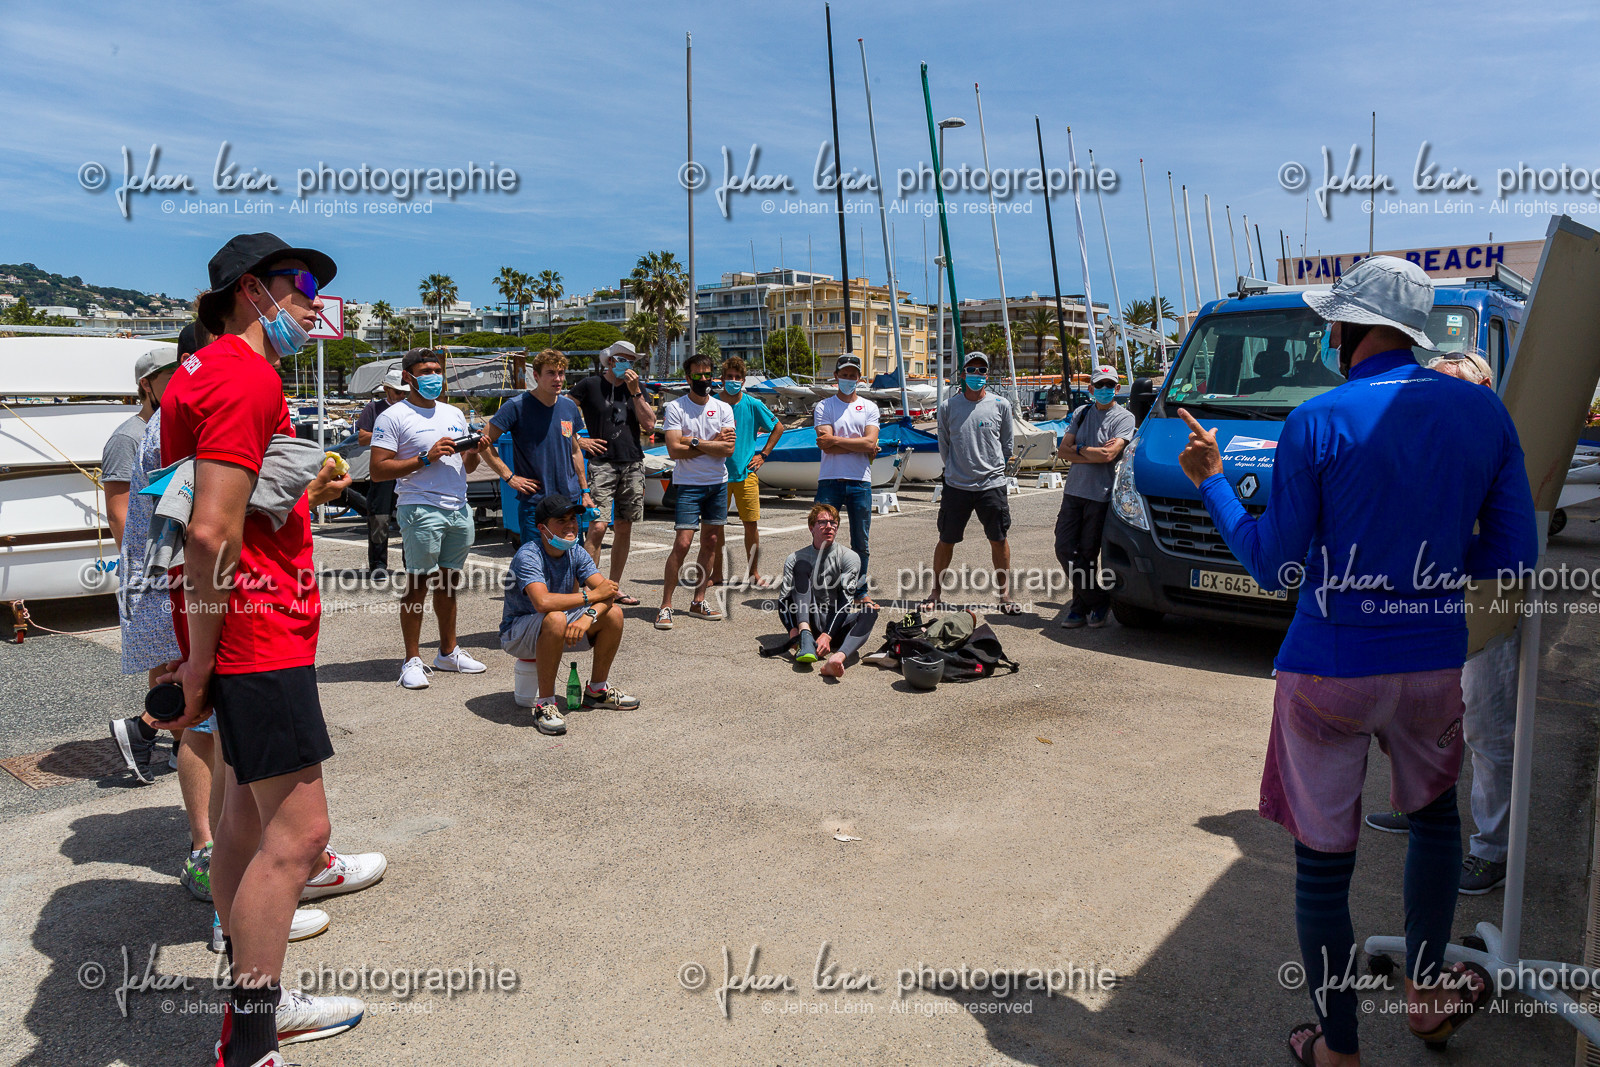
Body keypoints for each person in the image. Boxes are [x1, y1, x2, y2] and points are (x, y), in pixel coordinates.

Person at [1174, 256, 1538, 1066]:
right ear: (1415, 331)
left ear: (1346, 330)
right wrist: (1428, 562)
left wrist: (1216, 484)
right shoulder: (1484, 415)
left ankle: (1339, 1048)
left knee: (1321, 868)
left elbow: (1274, 565)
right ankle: (1426, 999)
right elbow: (1514, 550)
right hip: (1430, 670)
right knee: (1435, 823)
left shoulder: (1315, 419)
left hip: (1328, 671)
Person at [172, 232, 371, 1064]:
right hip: (256, 632)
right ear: (250, 290)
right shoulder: (245, 372)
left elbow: (225, 506)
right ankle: (250, 1039)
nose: (311, 302)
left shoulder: (199, 371)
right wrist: (202, 659)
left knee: (243, 822)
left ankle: (256, 995)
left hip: (244, 626)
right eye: (298, 285)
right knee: (299, 834)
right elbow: (209, 528)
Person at [1366, 348, 1516, 896]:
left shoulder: (1495, 445)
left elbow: (1507, 537)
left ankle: (1490, 849)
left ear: (1483, 388)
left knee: (1487, 731)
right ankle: (1424, 807)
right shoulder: (1427, 444)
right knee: (1420, 717)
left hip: (1484, 607)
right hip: (1428, 609)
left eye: (1453, 385)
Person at [369, 349, 489, 690]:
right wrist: (425, 457)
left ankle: (448, 652)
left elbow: (467, 467)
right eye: (426, 370)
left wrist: (473, 453)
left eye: (437, 369)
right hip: (419, 507)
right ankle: (411, 659)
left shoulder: (454, 412)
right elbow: (378, 471)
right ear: (409, 377)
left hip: (458, 507)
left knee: (449, 584)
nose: (434, 376)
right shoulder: (393, 416)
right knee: (417, 586)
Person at [106, 341, 184, 785]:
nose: (177, 381)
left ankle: (151, 732)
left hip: (169, 558)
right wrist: (146, 569)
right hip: (152, 563)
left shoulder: (168, 425)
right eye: (167, 376)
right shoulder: (130, 437)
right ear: (146, 385)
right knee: (168, 654)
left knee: (176, 652)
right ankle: (162, 734)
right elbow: (122, 512)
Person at [500, 493, 640, 734]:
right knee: (555, 616)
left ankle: (597, 691)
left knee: (614, 613)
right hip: (518, 634)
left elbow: (608, 591)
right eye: (561, 520)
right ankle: (545, 705)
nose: (571, 526)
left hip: (560, 625)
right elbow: (543, 602)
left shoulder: (576, 551)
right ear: (542, 528)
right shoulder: (528, 555)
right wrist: (589, 597)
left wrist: (588, 616)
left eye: (573, 519)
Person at [927, 352, 1017, 612]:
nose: (976, 375)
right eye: (971, 370)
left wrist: (993, 467)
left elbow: (1006, 444)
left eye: (981, 370)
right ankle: (935, 593)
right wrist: (956, 469)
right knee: (946, 539)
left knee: (998, 539)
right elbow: (944, 444)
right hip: (957, 486)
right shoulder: (948, 407)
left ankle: (1005, 595)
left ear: (987, 375)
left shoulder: (1001, 405)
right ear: (963, 373)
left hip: (992, 485)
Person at [570, 340, 654, 605]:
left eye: (631, 360)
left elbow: (650, 425)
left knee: (624, 527)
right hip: (601, 463)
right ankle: (591, 588)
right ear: (609, 361)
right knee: (597, 526)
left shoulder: (638, 390)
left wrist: (635, 392)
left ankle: (613, 587)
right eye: (622, 359)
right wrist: (579, 441)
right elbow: (560, 415)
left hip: (632, 462)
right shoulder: (589, 385)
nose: (627, 364)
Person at [656, 352, 736, 630]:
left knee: (711, 542)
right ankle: (665, 605)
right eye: (698, 374)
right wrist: (709, 442)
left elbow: (728, 449)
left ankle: (698, 600)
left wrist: (694, 441)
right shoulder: (676, 408)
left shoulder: (723, 408)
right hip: (689, 485)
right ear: (688, 377)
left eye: (708, 373)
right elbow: (674, 450)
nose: (704, 379)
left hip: (717, 483)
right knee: (683, 543)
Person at [481, 347, 592, 545]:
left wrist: (585, 492)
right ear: (536, 375)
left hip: (569, 501)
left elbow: (575, 451)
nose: (557, 379)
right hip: (535, 504)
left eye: (561, 373)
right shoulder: (516, 406)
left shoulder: (569, 407)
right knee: (535, 566)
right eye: (550, 373)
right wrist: (510, 478)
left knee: (573, 562)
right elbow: (483, 443)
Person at [1054, 366, 1135, 628]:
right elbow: (1062, 451)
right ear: (1091, 389)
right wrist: (1090, 451)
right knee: (1064, 549)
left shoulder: (1124, 418)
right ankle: (1099, 600)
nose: (1104, 390)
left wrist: (1078, 450)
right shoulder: (1081, 412)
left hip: (1100, 495)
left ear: (1117, 388)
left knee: (1088, 553)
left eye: (1109, 385)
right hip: (1073, 492)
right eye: (1099, 385)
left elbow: (1109, 456)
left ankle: (1079, 608)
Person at [773, 504, 878, 678]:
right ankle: (805, 636)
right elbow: (784, 600)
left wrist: (827, 636)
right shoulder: (795, 558)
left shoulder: (849, 557)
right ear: (811, 528)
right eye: (822, 522)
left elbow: (846, 602)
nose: (829, 526)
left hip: (834, 625)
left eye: (833, 523)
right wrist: (793, 631)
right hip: (807, 621)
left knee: (870, 611)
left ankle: (837, 658)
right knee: (802, 565)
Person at [711, 355, 785, 587]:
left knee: (750, 524)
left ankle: (753, 572)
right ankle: (716, 573)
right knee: (716, 525)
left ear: (743, 381)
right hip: (715, 474)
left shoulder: (753, 404)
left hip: (746, 473)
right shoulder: (712, 403)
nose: (733, 380)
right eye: (729, 377)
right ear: (721, 379)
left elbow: (778, 427)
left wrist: (762, 455)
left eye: (737, 377)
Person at [813, 354, 880, 603]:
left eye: (853, 376)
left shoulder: (869, 407)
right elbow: (826, 447)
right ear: (836, 376)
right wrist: (861, 445)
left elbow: (870, 442)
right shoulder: (824, 406)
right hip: (830, 480)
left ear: (859, 378)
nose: (849, 379)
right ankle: (822, 590)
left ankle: (859, 592)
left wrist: (838, 441)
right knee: (822, 537)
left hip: (859, 481)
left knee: (860, 542)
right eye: (845, 375)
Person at [354, 366, 407, 577]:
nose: (402, 396)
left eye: (405, 392)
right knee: (379, 518)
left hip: (407, 470)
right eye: (398, 392)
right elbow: (362, 438)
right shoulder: (373, 409)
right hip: (383, 470)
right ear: (387, 390)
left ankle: (410, 563)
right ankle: (378, 564)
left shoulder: (411, 408)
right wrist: (387, 432)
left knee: (408, 518)